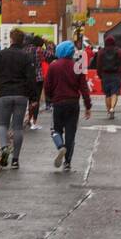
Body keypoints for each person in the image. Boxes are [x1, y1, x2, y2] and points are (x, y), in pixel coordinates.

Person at [0, 27, 37, 169]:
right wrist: (33, 97)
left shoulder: (2, 54)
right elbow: (31, 78)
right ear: (22, 41)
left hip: (5, 93)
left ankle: (4, 148)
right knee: (17, 127)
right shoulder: (26, 56)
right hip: (21, 95)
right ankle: (15, 159)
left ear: (10, 39)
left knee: (3, 124)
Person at [43, 41, 92, 171]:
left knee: (55, 130)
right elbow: (83, 88)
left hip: (58, 102)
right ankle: (67, 162)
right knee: (71, 133)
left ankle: (60, 146)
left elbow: (47, 85)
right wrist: (88, 106)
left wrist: (49, 98)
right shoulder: (77, 66)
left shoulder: (54, 66)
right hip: (73, 103)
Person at [96, 36, 121, 119]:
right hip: (116, 75)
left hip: (105, 75)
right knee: (115, 93)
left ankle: (109, 110)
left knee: (107, 94)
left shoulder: (101, 52)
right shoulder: (119, 51)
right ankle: (113, 108)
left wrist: (99, 74)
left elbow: (99, 64)